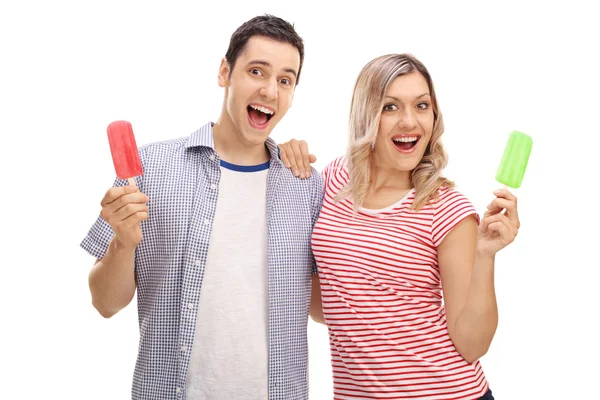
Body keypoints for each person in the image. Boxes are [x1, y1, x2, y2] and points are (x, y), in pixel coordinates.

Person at [80, 14, 323, 400]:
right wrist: (123, 244)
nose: (270, 92)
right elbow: (104, 303)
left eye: (285, 80)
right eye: (256, 71)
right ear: (225, 72)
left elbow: (320, 310)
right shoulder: (148, 171)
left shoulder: (306, 186)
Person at [279, 53, 520, 399]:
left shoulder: (447, 208)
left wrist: (486, 255)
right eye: (390, 107)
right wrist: (283, 157)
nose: (410, 121)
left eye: (421, 106)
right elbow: (326, 308)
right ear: (365, 115)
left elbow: (472, 345)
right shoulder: (333, 181)